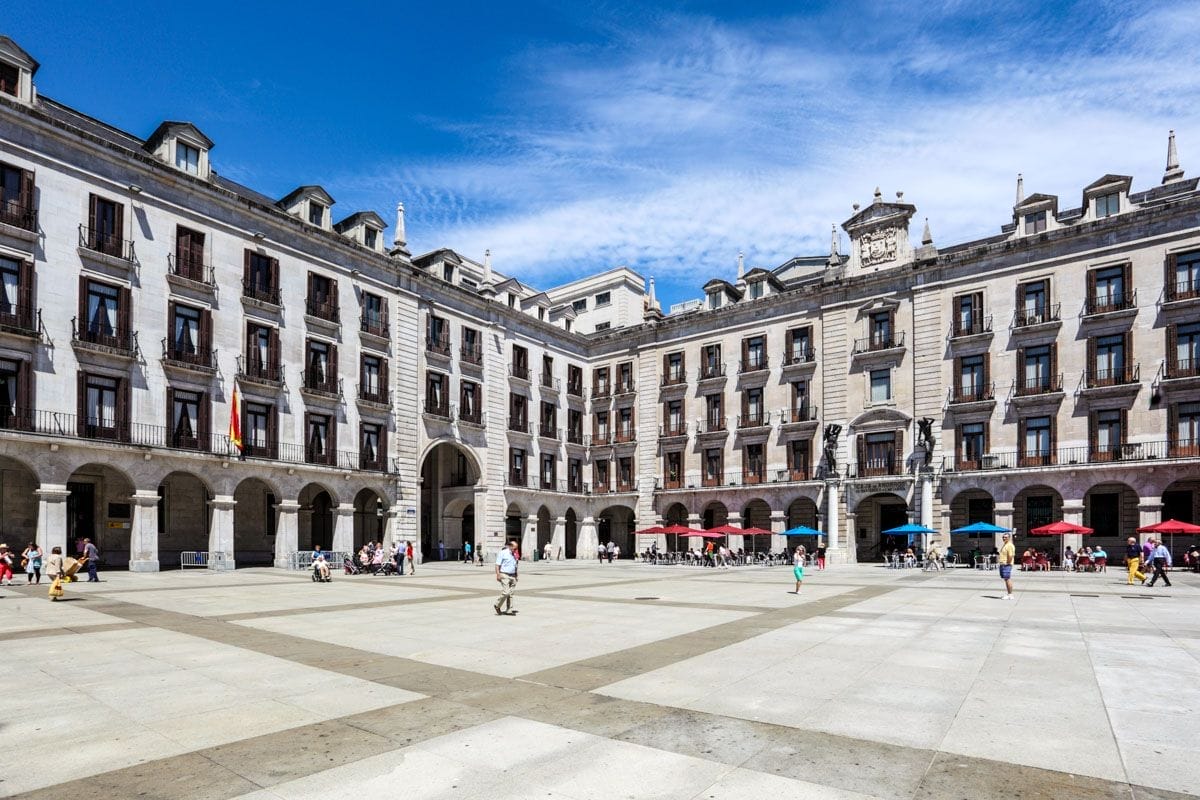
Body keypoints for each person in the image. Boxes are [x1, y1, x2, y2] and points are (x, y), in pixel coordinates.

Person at [494, 539, 519, 615]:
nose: (516, 549)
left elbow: (516, 564)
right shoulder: (503, 553)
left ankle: (509, 609)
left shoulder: (515, 554)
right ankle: (497, 605)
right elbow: (497, 564)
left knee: (511, 593)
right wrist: (498, 574)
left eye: (516, 548)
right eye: (514, 548)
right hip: (504, 574)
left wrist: (516, 574)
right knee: (506, 592)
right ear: (510, 546)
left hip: (513, 575)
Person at [998, 532, 1016, 600]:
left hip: (1006, 564)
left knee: (1007, 579)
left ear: (1009, 538)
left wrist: (1007, 563)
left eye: (1006, 537)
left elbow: (1011, 555)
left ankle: (1010, 595)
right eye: (1003, 537)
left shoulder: (1009, 545)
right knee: (1006, 579)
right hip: (1003, 564)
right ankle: (1009, 594)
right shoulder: (1005, 544)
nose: (1004, 538)